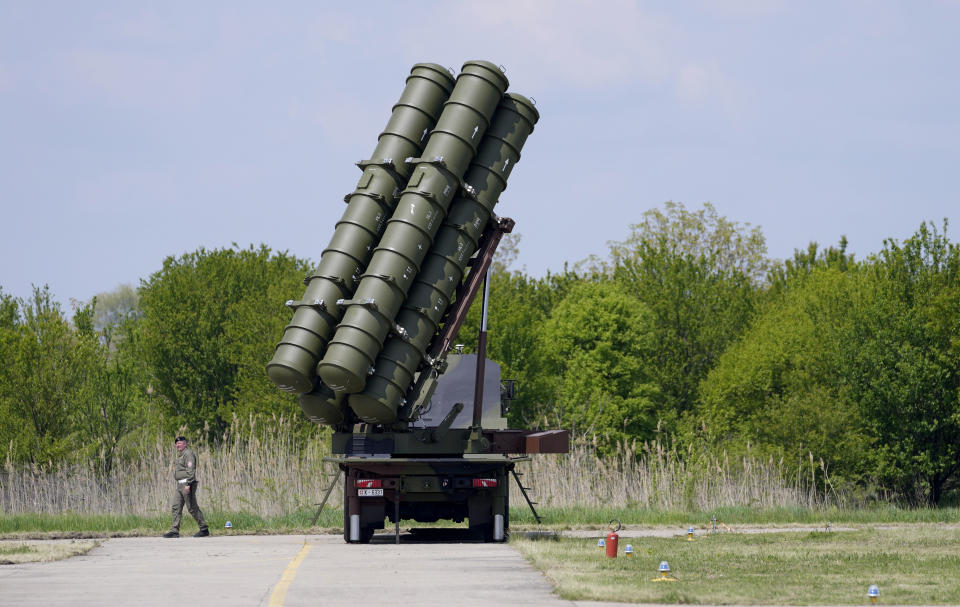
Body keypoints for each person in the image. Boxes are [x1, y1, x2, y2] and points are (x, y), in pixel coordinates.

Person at [163, 436, 210, 538]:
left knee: (192, 508)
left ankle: (204, 529)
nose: (178, 445)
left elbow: (191, 470)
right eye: (176, 443)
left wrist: (188, 484)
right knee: (176, 507)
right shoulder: (181, 455)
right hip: (180, 484)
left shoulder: (188, 454)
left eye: (180, 443)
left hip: (187, 484)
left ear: (185, 444)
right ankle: (174, 531)